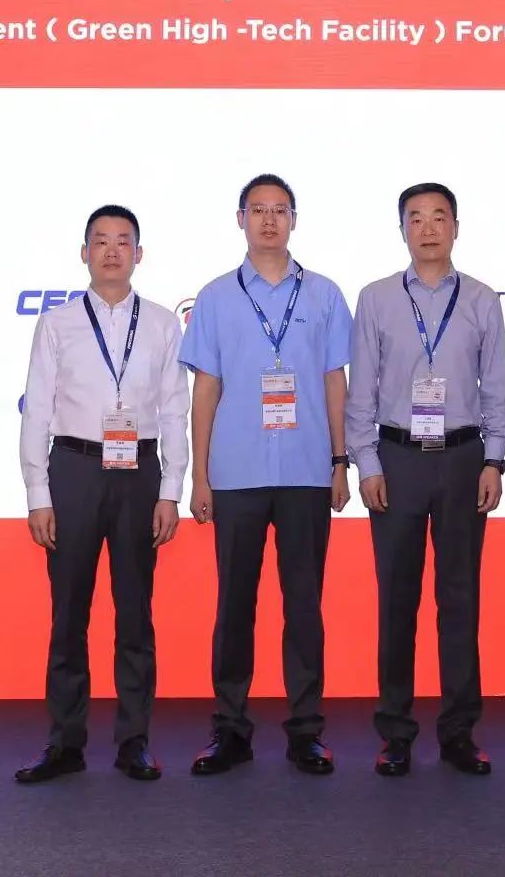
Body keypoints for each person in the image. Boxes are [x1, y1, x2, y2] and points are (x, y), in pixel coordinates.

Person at [182, 174, 353, 776]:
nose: (270, 220)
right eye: (258, 210)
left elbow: (335, 383)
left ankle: (306, 731)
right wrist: (200, 477)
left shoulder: (324, 294)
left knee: (304, 605)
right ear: (240, 219)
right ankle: (230, 730)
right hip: (236, 472)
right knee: (234, 605)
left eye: (280, 210)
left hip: (307, 469)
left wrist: (340, 462)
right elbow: (205, 390)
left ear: (294, 220)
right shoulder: (215, 297)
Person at [15, 204, 189, 785]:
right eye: (100, 240)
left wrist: (171, 488)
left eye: (123, 241)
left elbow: (175, 408)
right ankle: (64, 743)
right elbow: (37, 408)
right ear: (84, 252)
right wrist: (38, 493)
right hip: (74, 469)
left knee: (136, 612)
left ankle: (134, 741)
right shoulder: (57, 324)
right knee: (69, 614)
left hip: (139, 472)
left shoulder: (162, 324)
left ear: (139, 254)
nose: (112, 251)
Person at [346, 182, 505, 778]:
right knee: (397, 599)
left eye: (439, 217)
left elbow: (496, 388)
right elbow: (361, 391)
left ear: (456, 227)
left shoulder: (482, 299)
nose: (428, 228)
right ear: (402, 230)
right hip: (397, 458)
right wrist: (367, 464)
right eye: (415, 218)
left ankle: (459, 732)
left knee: (460, 597)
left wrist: (494, 460)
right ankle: (395, 732)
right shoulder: (376, 298)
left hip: (464, 458)